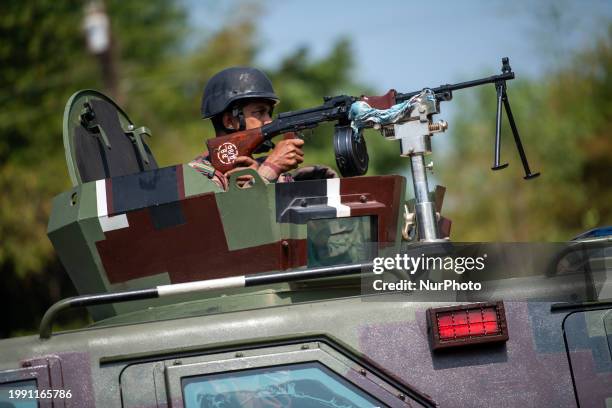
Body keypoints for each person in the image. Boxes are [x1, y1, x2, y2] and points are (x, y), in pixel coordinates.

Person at [189, 67, 335, 189]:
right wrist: (269, 170)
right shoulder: (197, 176)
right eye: (259, 112)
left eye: (269, 113)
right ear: (229, 121)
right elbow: (233, 218)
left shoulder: (259, 169)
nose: (268, 121)